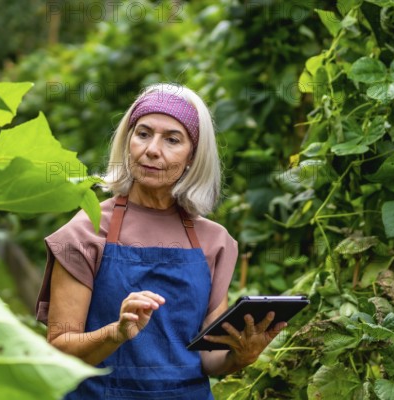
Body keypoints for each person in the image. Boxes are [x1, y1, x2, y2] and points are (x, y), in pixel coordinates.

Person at [35, 83, 286, 399]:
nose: (152, 149)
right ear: (127, 142)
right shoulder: (86, 231)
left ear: (193, 156)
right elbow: (59, 350)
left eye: (172, 139)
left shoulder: (213, 242)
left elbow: (209, 358)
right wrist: (116, 332)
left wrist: (241, 356)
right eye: (143, 133)